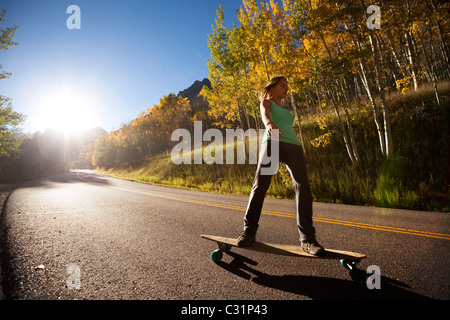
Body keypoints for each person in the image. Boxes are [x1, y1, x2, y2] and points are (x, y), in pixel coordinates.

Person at [236, 76, 324, 256]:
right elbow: (265, 116)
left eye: (287, 86)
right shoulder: (266, 103)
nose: (286, 88)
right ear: (272, 88)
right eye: (282, 85)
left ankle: (308, 240)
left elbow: (288, 128)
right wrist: (269, 125)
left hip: (293, 146)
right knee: (260, 186)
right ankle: (249, 231)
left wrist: (288, 162)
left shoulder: (286, 110)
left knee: (303, 188)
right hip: (273, 141)